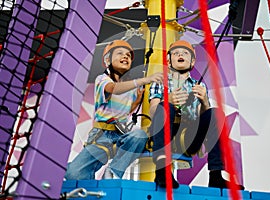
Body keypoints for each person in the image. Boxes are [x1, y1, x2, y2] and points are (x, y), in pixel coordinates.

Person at [149, 40, 244, 189]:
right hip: (168, 135)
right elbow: (153, 111)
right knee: (165, 106)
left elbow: (207, 120)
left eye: (185, 53)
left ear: (192, 61)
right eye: (176, 53)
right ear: (169, 60)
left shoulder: (198, 86)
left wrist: (205, 101)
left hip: (188, 138)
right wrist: (168, 100)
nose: (180, 54)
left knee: (216, 113)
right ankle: (162, 170)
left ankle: (216, 176)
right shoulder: (160, 82)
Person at [65, 40, 163, 180]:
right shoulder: (103, 79)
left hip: (121, 135)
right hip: (102, 136)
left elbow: (126, 109)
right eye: (120, 53)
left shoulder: (131, 87)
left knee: (140, 136)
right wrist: (144, 80)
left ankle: (113, 173)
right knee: (74, 174)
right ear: (107, 60)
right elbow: (114, 89)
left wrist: (137, 101)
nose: (125, 57)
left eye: (128, 55)